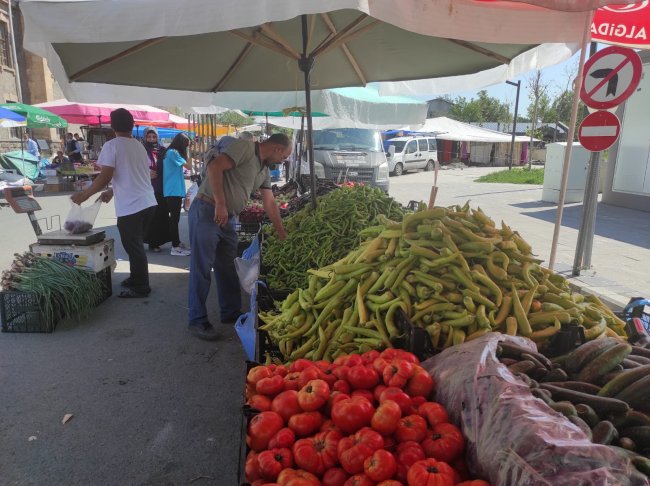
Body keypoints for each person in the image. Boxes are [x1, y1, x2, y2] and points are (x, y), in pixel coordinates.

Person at [187, 133, 290, 340]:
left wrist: (282, 234)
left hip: (229, 219)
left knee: (227, 267)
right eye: (284, 156)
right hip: (208, 210)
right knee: (202, 267)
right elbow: (215, 167)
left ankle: (230, 312)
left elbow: (269, 202)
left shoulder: (263, 170)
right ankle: (197, 320)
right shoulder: (245, 147)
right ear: (277, 148)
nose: (282, 161)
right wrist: (221, 204)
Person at [71, 108, 157, 298]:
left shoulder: (112, 145)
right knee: (135, 245)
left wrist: (84, 195)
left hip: (132, 205)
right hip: (148, 202)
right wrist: (111, 190)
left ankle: (141, 285)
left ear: (112, 125)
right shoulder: (139, 145)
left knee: (133, 246)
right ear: (132, 125)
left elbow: (105, 175)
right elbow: (132, 174)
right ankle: (136, 278)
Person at [162, 132, 192, 256]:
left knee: (175, 218)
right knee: (174, 219)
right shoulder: (173, 153)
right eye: (186, 145)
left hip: (174, 190)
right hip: (172, 190)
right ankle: (175, 247)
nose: (186, 147)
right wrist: (189, 151)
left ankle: (177, 242)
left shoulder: (171, 152)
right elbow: (189, 166)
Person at [142, 127, 170, 252]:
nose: (152, 139)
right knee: (151, 216)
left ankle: (159, 241)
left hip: (162, 187)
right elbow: (135, 167)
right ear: (145, 137)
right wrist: (146, 172)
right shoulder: (141, 151)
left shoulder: (163, 150)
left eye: (154, 137)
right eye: (149, 137)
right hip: (147, 188)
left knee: (161, 215)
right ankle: (152, 243)